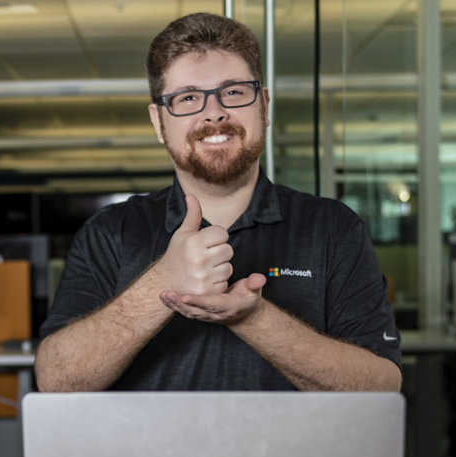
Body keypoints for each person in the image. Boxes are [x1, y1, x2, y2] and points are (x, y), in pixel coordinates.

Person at [34, 12, 402, 393]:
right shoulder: (111, 232)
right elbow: (56, 379)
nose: (214, 112)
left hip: (293, 455)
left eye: (233, 92)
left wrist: (253, 319)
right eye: (188, 97)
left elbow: (381, 385)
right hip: (150, 455)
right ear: (159, 122)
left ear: (265, 106)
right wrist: (163, 282)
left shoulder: (333, 229)